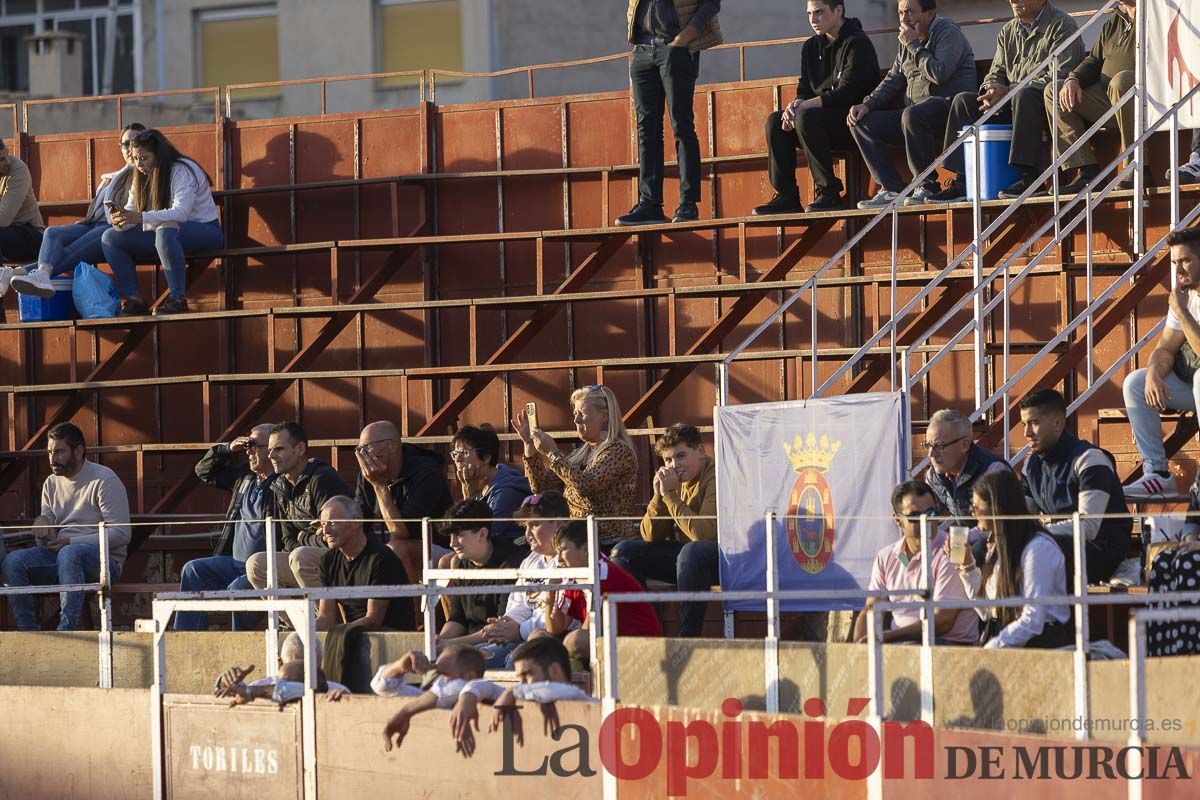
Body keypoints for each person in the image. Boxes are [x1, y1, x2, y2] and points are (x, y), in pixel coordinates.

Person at [933, 0, 1083, 202]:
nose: (1013, 0)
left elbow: (1061, 74)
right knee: (963, 102)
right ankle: (962, 180)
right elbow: (996, 71)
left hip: (1043, 103)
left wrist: (1010, 91)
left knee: (1025, 95)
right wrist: (990, 89)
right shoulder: (1008, 31)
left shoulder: (1063, 25)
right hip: (1011, 101)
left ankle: (1029, 177)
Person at [752, 0, 880, 216]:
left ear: (838, 10)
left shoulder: (858, 43)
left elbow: (848, 93)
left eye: (819, 12)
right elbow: (805, 88)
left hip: (856, 122)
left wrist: (805, 105)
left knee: (806, 118)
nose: (813, 19)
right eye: (810, 14)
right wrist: (796, 104)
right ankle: (787, 196)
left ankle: (829, 192)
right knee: (776, 121)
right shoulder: (811, 47)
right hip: (818, 122)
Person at [0, 423, 130, 631]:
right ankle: (28, 633)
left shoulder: (105, 480)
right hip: (60, 556)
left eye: (59, 452)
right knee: (12, 562)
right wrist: (42, 523)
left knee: (70, 553)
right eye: (50, 452)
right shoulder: (51, 483)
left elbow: (121, 534)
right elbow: (48, 522)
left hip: (105, 562)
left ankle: (66, 632)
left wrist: (71, 541)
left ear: (79, 451)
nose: (52, 459)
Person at [848, 0, 976, 209]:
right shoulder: (906, 40)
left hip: (949, 109)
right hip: (914, 114)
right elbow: (893, 79)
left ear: (929, 12)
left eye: (909, 12)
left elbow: (939, 73)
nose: (904, 18)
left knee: (913, 114)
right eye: (900, 13)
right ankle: (891, 188)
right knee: (861, 122)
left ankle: (926, 185)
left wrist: (914, 45)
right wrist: (867, 105)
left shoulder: (948, 32)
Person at [615, 0, 723, 226]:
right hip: (642, 50)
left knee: (681, 126)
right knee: (646, 130)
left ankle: (688, 203)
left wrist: (684, 38)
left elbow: (711, 3)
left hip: (675, 48)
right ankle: (649, 203)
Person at [10, 123, 146, 298]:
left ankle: (19, 273)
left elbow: (133, 210)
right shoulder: (113, 177)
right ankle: (39, 273)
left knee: (69, 251)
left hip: (116, 229)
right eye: (125, 144)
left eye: (135, 142)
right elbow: (97, 211)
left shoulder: (144, 173)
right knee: (52, 233)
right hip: (94, 224)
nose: (130, 148)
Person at [101, 128, 223, 316]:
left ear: (158, 156)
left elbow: (181, 213)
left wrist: (140, 218)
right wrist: (121, 220)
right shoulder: (139, 174)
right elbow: (133, 210)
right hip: (164, 234)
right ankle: (133, 299)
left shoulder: (181, 169)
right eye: (135, 158)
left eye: (144, 158)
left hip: (206, 231)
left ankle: (177, 299)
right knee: (110, 238)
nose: (139, 164)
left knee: (166, 230)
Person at [611, 423, 718, 637]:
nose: (674, 465)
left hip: (724, 558)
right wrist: (660, 496)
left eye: (680, 456)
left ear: (700, 451)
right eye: (668, 460)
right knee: (623, 552)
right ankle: (646, 629)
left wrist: (670, 495)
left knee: (692, 551)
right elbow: (650, 535)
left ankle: (688, 639)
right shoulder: (673, 480)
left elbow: (704, 534)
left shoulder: (715, 475)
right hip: (689, 563)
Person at [949, 469, 1072, 649]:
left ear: (997, 508)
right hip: (1006, 636)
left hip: (1040, 645)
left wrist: (993, 648)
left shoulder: (1038, 548)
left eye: (977, 508)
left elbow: (1033, 619)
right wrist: (967, 565)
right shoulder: (998, 546)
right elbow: (987, 611)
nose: (973, 514)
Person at [1121, 228, 1200, 500]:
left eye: (1185, 261)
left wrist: (1181, 311)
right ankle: (1157, 472)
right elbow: (1166, 347)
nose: (1178, 269)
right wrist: (1154, 372)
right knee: (1136, 382)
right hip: (1193, 390)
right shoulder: (1184, 295)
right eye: (1175, 262)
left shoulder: (1182, 302)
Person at [1020, 388, 1130, 583]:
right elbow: (1020, 517)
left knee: (1038, 551)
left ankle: (1038, 612)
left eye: (1034, 423)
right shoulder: (1031, 466)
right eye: (1024, 424)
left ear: (1058, 423)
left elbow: (1088, 527)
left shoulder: (1090, 459)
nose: (1026, 433)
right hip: (1056, 544)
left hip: (1101, 552)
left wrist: (1035, 534)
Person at [174, 425, 277, 631]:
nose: (248, 451)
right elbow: (203, 471)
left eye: (255, 445)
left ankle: (239, 646)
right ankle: (188, 638)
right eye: (247, 445)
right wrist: (228, 449)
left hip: (264, 568)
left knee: (238, 589)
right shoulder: (245, 477)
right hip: (233, 562)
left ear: (272, 449)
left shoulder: (282, 483)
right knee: (193, 570)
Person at [852, 480, 979, 645]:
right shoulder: (886, 556)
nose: (926, 521)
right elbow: (872, 608)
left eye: (931, 513)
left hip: (948, 646)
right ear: (898, 520)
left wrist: (888, 637)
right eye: (915, 516)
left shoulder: (953, 549)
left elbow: (942, 622)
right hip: (903, 645)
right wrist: (858, 648)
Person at [513, 385, 639, 547]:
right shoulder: (579, 454)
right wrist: (529, 444)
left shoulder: (619, 451)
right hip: (576, 538)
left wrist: (552, 452)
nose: (576, 420)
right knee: (518, 546)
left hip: (606, 540)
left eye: (583, 414)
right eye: (575, 414)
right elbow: (541, 487)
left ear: (605, 417)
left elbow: (586, 485)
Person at [448, 637, 596, 758]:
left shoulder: (583, 701)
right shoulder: (523, 695)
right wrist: (468, 696)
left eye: (527, 674)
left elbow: (563, 692)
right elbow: (487, 687)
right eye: (520, 678)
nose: (522, 683)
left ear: (554, 670)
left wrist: (514, 691)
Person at [1044, 0, 1135, 195]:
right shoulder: (1114, 21)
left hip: (1147, 100)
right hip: (1108, 100)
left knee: (1121, 81)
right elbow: (1094, 60)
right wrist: (1073, 79)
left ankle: (1136, 167)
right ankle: (1086, 170)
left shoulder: (1157, 17)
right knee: (1054, 90)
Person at [475, 492, 575, 669]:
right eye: (525, 526)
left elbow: (557, 617)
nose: (528, 533)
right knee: (472, 658)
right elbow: (519, 604)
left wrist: (519, 630)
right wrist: (506, 626)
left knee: (514, 663)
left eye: (535, 524)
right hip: (521, 635)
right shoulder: (530, 561)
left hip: (555, 640)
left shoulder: (571, 561)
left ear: (560, 523)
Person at [245, 422, 350, 591]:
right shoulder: (279, 486)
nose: (271, 455)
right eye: (270, 449)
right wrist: (305, 539)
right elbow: (287, 539)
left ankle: (326, 617)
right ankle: (295, 619)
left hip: (344, 558)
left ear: (300, 449)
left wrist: (302, 537)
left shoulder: (322, 479)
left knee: (301, 557)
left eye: (279, 449)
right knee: (256, 564)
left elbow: (333, 537)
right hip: (305, 557)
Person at [547, 520, 662, 663]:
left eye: (563, 550)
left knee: (575, 641)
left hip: (640, 648)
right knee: (540, 639)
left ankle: (563, 682)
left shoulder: (605, 575)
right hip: (611, 645)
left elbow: (590, 631)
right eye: (556, 552)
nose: (558, 559)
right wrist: (551, 590)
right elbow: (554, 627)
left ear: (586, 549)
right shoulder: (573, 576)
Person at [353, 420, 453, 584]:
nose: (362, 455)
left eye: (367, 447)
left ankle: (410, 610)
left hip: (437, 550)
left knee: (397, 548)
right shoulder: (368, 474)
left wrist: (379, 486)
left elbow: (402, 531)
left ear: (391, 446)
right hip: (392, 548)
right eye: (359, 449)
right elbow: (360, 520)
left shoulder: (426, 473)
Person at [921, 409, 1011, 564]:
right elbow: (929, 516)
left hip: (1001, 542)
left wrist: (961, 538)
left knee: (969, 551)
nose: (931, 454)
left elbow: (998, 524)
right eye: (927, 445)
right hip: (964, 538)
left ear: (964, 445)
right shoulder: (934, 475)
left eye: (939, 446)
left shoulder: (992, 470)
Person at [315, 496, 414, 632]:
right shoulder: (328, 560)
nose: (326, 532)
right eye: (323, 524)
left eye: (332, 523)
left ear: (355, 522)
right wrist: (303, 633)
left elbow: (373, 620)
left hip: (389, 635)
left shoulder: (381, 558)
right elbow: (326, 617)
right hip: (353, 634)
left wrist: (339, 632)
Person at [436, 499, 527, 649]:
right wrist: (440, 641)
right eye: (450, 536)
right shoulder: (460, 564)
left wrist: (450, 645)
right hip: (468, 643)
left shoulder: (512, 565)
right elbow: (457, 618)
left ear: (482, 533)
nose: (452, 543)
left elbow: (500, 628)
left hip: (498, 644)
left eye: (458, 534)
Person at [380, 646, 494, 752]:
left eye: (443, 674)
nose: (437, 681)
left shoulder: (486, 690)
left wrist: (406, 712)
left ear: (469, 677)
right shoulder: (428, 699)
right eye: (436, 673)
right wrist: (399, 667)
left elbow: (457, 689)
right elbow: (384, 689)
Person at [213, 632, 349, 705]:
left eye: (313, 670)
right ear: (280, 665)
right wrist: (226, 682)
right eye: (298, 670)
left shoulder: (336, 691)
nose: (305, 678)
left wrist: (345, 703)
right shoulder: (260, 686)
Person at [451, 424, 531, 543]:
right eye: (455, 453)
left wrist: (470, 498)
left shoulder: (507, 491)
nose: (458, 459)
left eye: (464, 453)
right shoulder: (477, 483)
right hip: (485, 549)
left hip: (510, 551)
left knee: (449, 561)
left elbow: (484, 535)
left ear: (487, 457)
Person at [0, 140, 45, 290]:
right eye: (0, 160)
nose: (7, 161)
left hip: (31, 234)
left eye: (6, 155)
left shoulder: (18, 169)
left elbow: (3, 218)